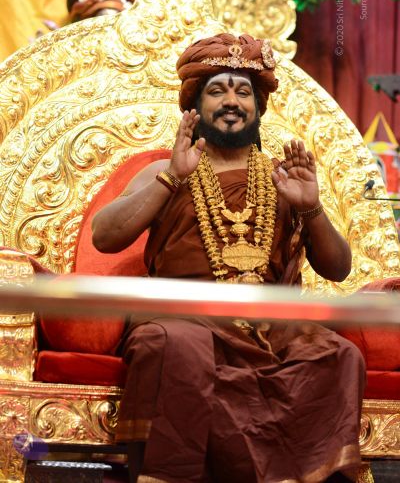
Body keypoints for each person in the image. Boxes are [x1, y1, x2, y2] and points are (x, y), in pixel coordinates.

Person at [92, 33, 365, 483]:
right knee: (171, 345)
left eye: (243, 92)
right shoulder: (166, 170)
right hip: (184, 314)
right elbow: (104, 238)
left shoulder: (283, 178)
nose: (232, 102)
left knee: (339, 355)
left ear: (259, 106)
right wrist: (171, 179)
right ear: (195, 107)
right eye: (217, 91)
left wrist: (311, 206)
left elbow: (338, 268)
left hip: (268, 323)